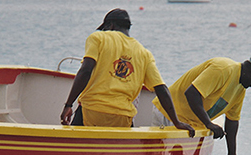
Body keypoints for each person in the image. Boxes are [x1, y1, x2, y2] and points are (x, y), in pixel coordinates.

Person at [60, 8, 195, 136]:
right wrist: (176, 122)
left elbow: (85, 70)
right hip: (123, 116)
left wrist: (68, 105)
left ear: (110, 25)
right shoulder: (144, 53)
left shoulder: (98, 37)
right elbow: (161, 88)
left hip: (92, 110)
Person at [152, 56, 251, 155]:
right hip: (170, 114)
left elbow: (232, 121)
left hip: (189, 124)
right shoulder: (222, 69)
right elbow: (192, 93)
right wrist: (208, 123)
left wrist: (232, 154)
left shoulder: (240, 89)